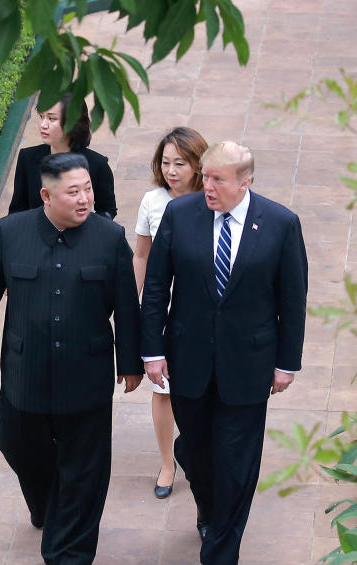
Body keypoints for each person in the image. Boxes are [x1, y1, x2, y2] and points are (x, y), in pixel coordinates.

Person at [0, 153, 143, 565]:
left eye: (89, 189)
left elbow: (127, 310)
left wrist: (131, 363)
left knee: (85, 466)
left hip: (88, 372)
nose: (84, 199)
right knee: (16, 443)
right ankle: (47, 504)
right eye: (73, 191)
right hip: (26, 372)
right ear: (46, 195)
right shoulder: (12, 231)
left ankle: (72, 550)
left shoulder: (109, 238)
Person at [140, 142, 308, 565]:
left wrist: (286, 363)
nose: (207, 186)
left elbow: (292, 300)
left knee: (237, 465)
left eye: (218, 179)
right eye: (205, 176)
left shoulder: (280, 224)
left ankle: (224, 558)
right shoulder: (180, 215)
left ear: (245, 181)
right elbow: (156, 287)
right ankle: (200, 486)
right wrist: (152, 351)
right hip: (188, 360)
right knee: (200, 452)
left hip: (249, 367)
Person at [132, 127, 209, 499]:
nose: (172, 170)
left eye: (181, 162)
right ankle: (167, 462)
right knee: (162, 389)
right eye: (166, 162)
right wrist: (135, 302)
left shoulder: (214, 199)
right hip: (162, 309)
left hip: (199, 310)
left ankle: (199, 456)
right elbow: (142, 255)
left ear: (198, 164)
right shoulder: (152, 202)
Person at [9, 94, 117, 219]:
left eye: (51, 119)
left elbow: (107, 211)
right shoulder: (27, 158)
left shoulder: (98, 165)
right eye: (41, 116)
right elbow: (17, 211)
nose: (43, 124)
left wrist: (87, 231)